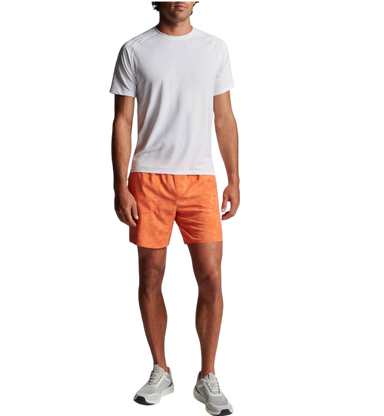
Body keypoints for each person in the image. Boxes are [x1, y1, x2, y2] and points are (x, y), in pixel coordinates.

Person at [108, 1, 241, 414]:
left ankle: (208, 377)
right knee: (150, 276)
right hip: (148, 178)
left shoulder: (216, 46)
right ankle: (161, 371)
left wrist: (234, 179)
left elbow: (225, 116)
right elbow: (122, 121)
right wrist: (120, 185)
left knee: (212, 278)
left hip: (201, 178)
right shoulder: (134, 48)